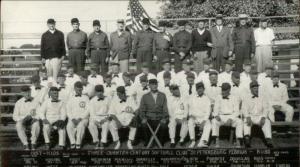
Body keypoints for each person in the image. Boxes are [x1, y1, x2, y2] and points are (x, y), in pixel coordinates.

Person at [242, 81, 273, 148]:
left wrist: (263, 117)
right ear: (250, 89)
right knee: (245, 121)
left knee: (267, 122)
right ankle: (247, 139)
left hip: (260, 116)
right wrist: (247, 117)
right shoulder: (246, 97)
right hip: (250, 116)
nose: (256, 89)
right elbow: (244, 109)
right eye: (254, 88)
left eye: (257, 88)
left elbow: (266, 108)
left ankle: (268, 139)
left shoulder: (263, 96)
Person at [211, 83, 243, 148]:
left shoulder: (234, 98)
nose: (223, 91)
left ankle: (238, 140)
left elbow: (237, 111)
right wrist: (216, 115)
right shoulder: (218, 97)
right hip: (221, 116)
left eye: (225, 90)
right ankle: (216, 139)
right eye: (222, 90)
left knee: (239, 121)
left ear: (229, 90)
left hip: (231, 116)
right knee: (214, 121)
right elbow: (215, 109)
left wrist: (231, 118)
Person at [139, 79, 169, 147]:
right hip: (149, 118)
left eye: (155, 84)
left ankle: (160, 141)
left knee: (164, 126)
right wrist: (143, 118)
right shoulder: (145, 96)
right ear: (149, 85)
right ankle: (148, 141)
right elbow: (142, 109)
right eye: (152, 84)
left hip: (159, 118)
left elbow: (165, 109)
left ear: (157, 85)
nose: (154, 86)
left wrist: (164, 118)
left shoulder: (163, 95)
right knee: (143, 125)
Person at [13, 86, 40, 150]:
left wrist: (35, 118)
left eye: (28, 92)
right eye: (25, 92)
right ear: (22, 93)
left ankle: (33, 143)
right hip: (23, 121)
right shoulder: (18, 103)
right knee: (18, 125)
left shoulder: (36, 101)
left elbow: (39, 113)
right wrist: (22, 119)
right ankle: (25, 144)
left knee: (36, 124)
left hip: (32, 120)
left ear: (30, 92)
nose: (27, 94)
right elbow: (15, 116)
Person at [66, 81, 89, 149]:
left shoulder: (86, 98)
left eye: (80, 88)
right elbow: (68, 110)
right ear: (74, 89)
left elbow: (88, 110)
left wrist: (80, 118)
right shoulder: (70, 98)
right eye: (77, 88)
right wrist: (72, 118)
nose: (79, 89)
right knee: (69, 126)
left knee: (81, 126)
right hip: (73, 118)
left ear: (82, 88)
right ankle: (72, 142)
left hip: (83, 118)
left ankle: (78, 142)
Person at [188, 82, 212, 148]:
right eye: (198, 88)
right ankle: (193, 140)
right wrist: (191, 115)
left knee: (208, 124)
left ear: (203, 89)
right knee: (190, 122)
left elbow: (208, 112)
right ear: (196, 89)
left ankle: (202, 141)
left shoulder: (207, 99)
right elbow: (190, 108)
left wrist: (204, 121)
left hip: (203, 118)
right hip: (194, 117)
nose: (199, 90)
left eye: (201, 88)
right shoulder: (192, 98)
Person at [87, 85, 110, 149]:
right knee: (91, 125)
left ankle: (103, 141)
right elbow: (92, 113)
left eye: (101, 91)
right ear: (95, 92)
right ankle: (96, 141)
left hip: (105, 117)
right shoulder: (92, 100)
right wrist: (95, 120)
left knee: (106, 124)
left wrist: (105, 119)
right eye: (98, 91)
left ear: (103, 91)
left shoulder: (108, 99)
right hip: (95, 117)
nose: (99, 93)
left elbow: (111, 111)